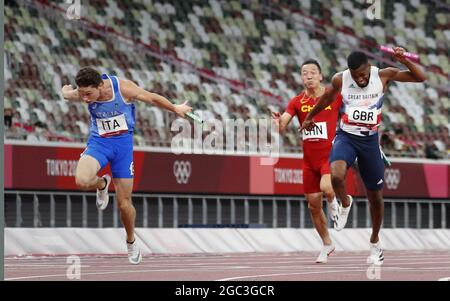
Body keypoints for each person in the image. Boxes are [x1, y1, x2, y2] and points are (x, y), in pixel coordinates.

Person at [301, 47, 427, 265]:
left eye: (363, 75)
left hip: (369, 142)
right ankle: (346, 201)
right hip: (346, 137)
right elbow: (327, 98)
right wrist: (310, 117)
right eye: (356, 75)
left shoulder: (383, 75)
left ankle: (375, 243)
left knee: (375, 197)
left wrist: (404, 59)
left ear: (369, 67)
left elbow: (420, 77)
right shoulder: (341, 79)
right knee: (337, 175)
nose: (360, 79)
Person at [62, 67, 192, 264]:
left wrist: (174, 108)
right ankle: (102, 185)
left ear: (100, 86)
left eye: (88, 94)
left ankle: (131, 241)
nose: (86, 99)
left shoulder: (123, 88)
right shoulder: (84, 93)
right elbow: (69, 95)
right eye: (82, 95)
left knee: (124, 204)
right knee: (81, 180)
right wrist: (66, 91)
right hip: (99, 143)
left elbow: (151, 98)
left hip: (123, 148)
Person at [272, 59, 341, 263]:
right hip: (309, 161)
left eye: (312, 72)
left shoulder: (333, 96)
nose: (308, 76)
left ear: (320, 76)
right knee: (313, 206)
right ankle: (327, 243)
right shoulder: (296, 101)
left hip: (330, 155)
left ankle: (335, 204)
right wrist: (277, 123)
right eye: (304, 73)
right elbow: (283, 124)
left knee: (327, 188)